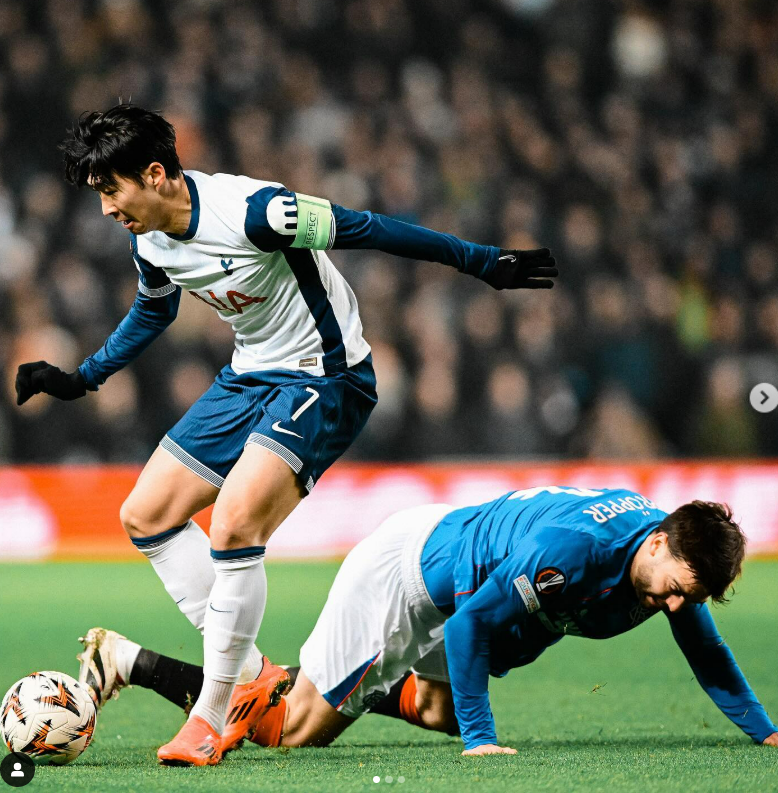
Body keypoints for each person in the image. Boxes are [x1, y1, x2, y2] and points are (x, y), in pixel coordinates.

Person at [15, 105, 558, 766]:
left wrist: (482, 262)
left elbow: (371, 228)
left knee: (234, 522)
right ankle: (251, 677)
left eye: (110, 189)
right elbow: (153, 310)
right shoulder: (150, 238)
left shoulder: (259, 213)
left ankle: (213, 712)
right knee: (145, 514)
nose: (105, 208)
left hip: (327, 377)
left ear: (155, 174)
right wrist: (83, 377)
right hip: (250, 376)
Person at [79, 486, 778, 756]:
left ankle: (321, 680)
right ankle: (130, 660)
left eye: (689, 597)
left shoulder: (668, 557)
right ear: (656, 543)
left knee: (440, 708)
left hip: (452, 567)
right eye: (675, 591)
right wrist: (483, 741)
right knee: (291, 730)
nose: (675, 607)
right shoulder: (574, 553)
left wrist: (766, 730)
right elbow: (472, 625)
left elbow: (707, 651)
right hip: (406, 579)